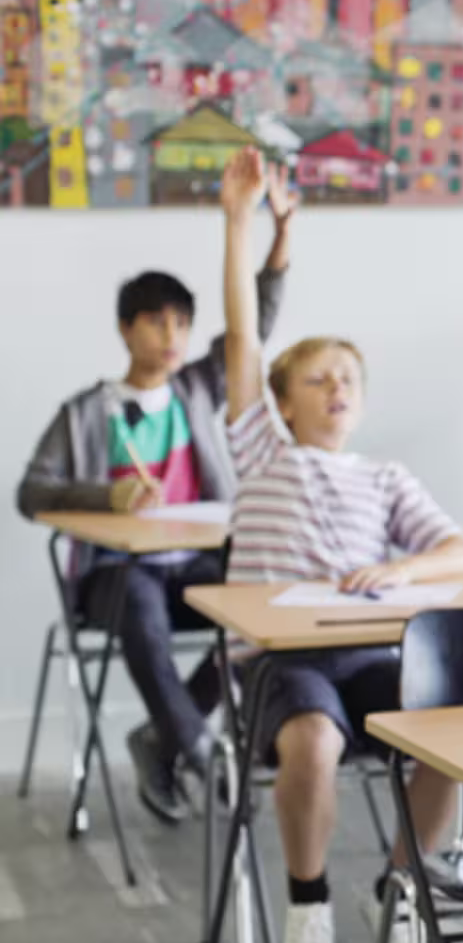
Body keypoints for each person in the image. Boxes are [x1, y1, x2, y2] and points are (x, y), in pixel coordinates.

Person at [220, 148, 463, 943]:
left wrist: (399, 566)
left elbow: (460, 552)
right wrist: (240, 224)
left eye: (348, 380)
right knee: (314, 741)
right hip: (282, 667)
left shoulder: (383, 478)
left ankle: (403, 894)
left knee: (452, 727)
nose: (336, 389)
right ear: (281, 402)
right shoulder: (263, 455)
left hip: (370, 654)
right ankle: (308, 902)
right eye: (317, 378)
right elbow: (245, 339)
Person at [16, 180, 293, 823]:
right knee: (138, 600)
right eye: (156, 322)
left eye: (181, 323)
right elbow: (31, 492)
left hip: (192, 566)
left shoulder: (198, 388)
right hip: (114, 577)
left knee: (260, 597)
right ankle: (198, 746)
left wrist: (280, 235)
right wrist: (107, 496)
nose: (171, 335)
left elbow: (259, 324)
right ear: (126, 328)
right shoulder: (86, 412)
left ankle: (164, 736)